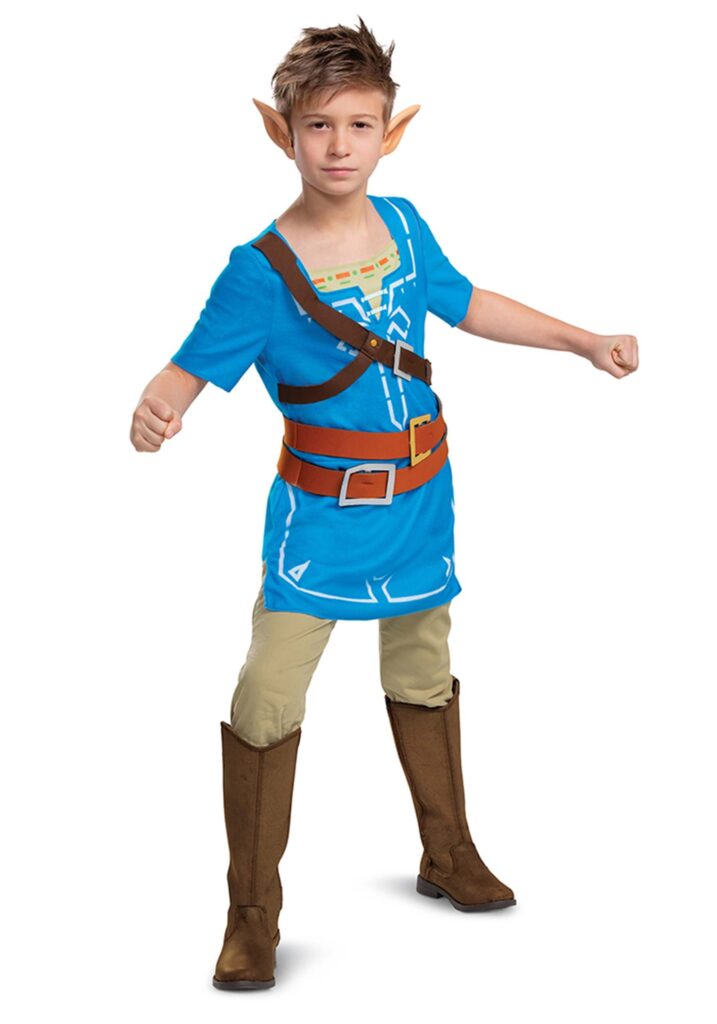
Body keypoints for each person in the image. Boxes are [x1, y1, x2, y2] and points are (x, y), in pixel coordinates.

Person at [130, 16, 639, 991]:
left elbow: (467, 302)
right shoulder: (257, 270)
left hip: (419, 499)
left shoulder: (404, 226)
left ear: (389, 132)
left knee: (422, 664)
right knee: (266, 694)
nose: (338, 147)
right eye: (317, 126)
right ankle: (251, 914)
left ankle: (448, 852)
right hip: (320, 517)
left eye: (359, 125)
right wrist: (159, 406)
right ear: (281, 132)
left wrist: (582, 341)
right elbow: (187, 368)